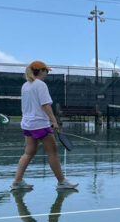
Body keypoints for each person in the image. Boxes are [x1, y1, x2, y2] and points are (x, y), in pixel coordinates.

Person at [11, 60, 78, 191]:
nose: (47, 73)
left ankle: (17, 182)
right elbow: (45, 105)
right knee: (52, 153)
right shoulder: (40, 85)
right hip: (40, 124)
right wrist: (54, 121)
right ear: (40, 71)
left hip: (27, 124)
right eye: (45, 70)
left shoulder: (25, 85)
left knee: (28, 153)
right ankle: (62, 182)